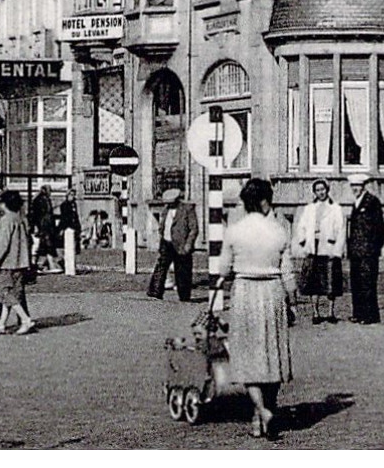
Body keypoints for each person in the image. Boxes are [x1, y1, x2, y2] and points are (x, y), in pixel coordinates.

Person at [215, 177, 295, 440]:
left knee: (248, 354)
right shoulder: (279, 230)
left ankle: (260, 410)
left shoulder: (234, 231)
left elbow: (224, 269)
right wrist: (291, 301)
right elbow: (288, 273)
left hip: (245, 293)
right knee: (271, 352)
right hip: (272, 291)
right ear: (264, 201)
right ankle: (266, 410)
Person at [291, 178, 345, 324]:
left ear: (327, 190)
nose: (321, 192)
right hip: (313, 247)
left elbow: (341, 230)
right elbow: (301, 227)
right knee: (312, 282)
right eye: (318, 190)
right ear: (314, 192)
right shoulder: (309, 209)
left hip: (328, 247)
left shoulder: (335, 208)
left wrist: (337, 250)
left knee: (330, 281)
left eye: (323, 189)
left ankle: (330, 312)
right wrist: (303, 242)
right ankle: (315, 312)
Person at [0, 190, 36, 335]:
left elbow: (2, 244)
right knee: (11, 292)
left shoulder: (6, 220)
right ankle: (1, 324)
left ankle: (26, 319)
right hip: (20, 262)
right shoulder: (19, 219)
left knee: (5, 293)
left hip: (6, 263)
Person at [346, 173, 384, 325]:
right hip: (356, 251)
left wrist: (374, 248)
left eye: (358, 186)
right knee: (356, 282)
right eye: (353, 186)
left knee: (368, 283)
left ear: (363, 186)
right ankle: (358, 313)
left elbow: (380, 228)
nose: (355, 189)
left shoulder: (372, 201)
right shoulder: (356, 203)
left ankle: (370, 315)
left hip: (368, 251)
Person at [146, 187, 198, 302]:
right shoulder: (165, 210)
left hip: (181, 244)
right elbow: (162, 225)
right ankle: (155, 292)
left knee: (182, 270)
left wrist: (189, 244)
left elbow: (193, 229)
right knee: (161, 267)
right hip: (166, 242)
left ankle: (184, 296)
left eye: (170, 203)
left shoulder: (187, 209)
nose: (168, 205)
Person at [30, 185, 58, 273]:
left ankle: (43, 264)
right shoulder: (40, 200)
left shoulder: (44, 199)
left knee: (45, 246)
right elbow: (36, 215)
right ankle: (37, 264)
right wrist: (36, 226)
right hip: (43, 226)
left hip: (46, 226)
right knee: (43, 246)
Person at [57, 189, 83, 260]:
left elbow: (76, 216)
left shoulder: (74, 204)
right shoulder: (64, 205)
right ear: (67, 195)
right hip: (67, 227)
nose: (73, 197)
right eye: (71, 195)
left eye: (74, 195)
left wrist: (79, 228)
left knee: (74, 246)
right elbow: (64, 218)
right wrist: (62, 228)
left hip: (74, 227)